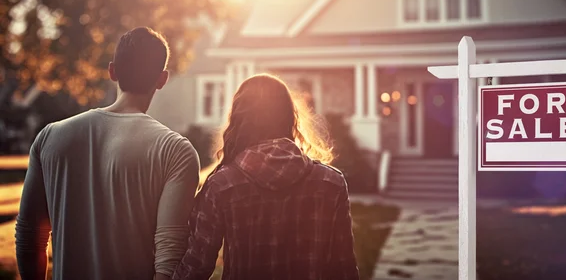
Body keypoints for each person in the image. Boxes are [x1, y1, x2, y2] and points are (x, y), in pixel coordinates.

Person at [15, 27, 201, 280]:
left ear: (112, 71)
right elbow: (170, 256)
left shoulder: (50, 137)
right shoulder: (176, 151)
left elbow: (29, 237)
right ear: (162, 79)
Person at [171, 74, 360, 280]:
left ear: (238, 121)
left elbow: (196, 268)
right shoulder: (331, 183)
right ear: (290, 118)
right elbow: (345, 270)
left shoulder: (222, 185)